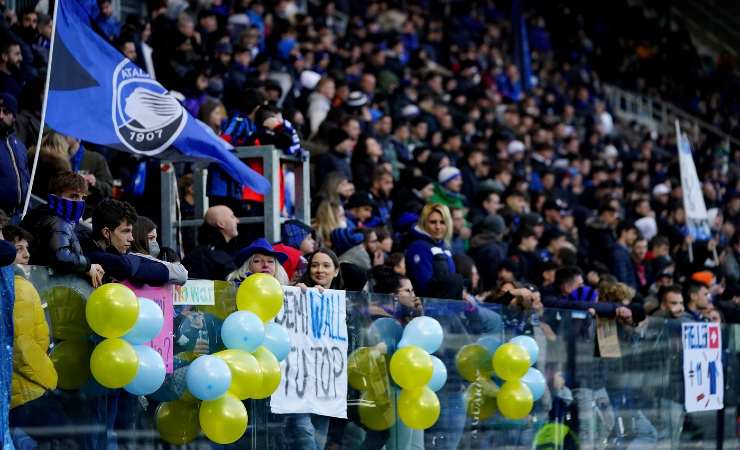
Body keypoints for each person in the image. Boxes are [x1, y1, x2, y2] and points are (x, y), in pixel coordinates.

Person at [285, 248, 343, 450]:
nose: (320, 270)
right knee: (305, 436)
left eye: (326, 265)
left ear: (336, 271)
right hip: (298, 380)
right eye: (315, 265)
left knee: (318, 440)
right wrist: (296, 293)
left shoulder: (341, 301)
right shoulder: (297, 292)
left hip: (325, 381)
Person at [9, 276, 65, 449]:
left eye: (26, 247)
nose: (27, 254)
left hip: (22, 391)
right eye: (19, 249)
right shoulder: (18, 287)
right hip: (29, 391)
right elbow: (21, 346)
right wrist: (49, 378)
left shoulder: (17, 284)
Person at [21, 171, 104, 287]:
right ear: (55, 196)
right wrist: (88, 266)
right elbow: (62, 257)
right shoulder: (57, 221)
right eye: (73, 196)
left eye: (82, 197)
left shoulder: (41, 213)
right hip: (40, 285)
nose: (79, 202)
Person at [82, 198, 170, 285]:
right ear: (106, 232)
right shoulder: (87, 252)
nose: (131, 238)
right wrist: (137, 259)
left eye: (131, 232)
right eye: (126, 231)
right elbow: (125, 266)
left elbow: (164, 271)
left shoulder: (120, 252)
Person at [404, 203, 455, 297]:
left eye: (442, 222)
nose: (438, 227)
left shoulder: (444, 247)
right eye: (433, 222)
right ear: (424, 223)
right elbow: (425, 288)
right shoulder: (418, 248)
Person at [183, 205, 239, 280]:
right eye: (232, 216)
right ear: (221, 223)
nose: (237, 220)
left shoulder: (203, 252)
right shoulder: (214, 255)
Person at [130, 216, 188, 285]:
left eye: (155, 239)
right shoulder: (134, 259)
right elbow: (181, 274)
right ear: (138, 239)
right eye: (151, 238)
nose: (155, 243)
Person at [0, 93, 29, 222]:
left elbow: (25, 180)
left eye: (6, 111)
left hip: (17, 216)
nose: (0, 116)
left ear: (14, 116)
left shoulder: (20, 146)